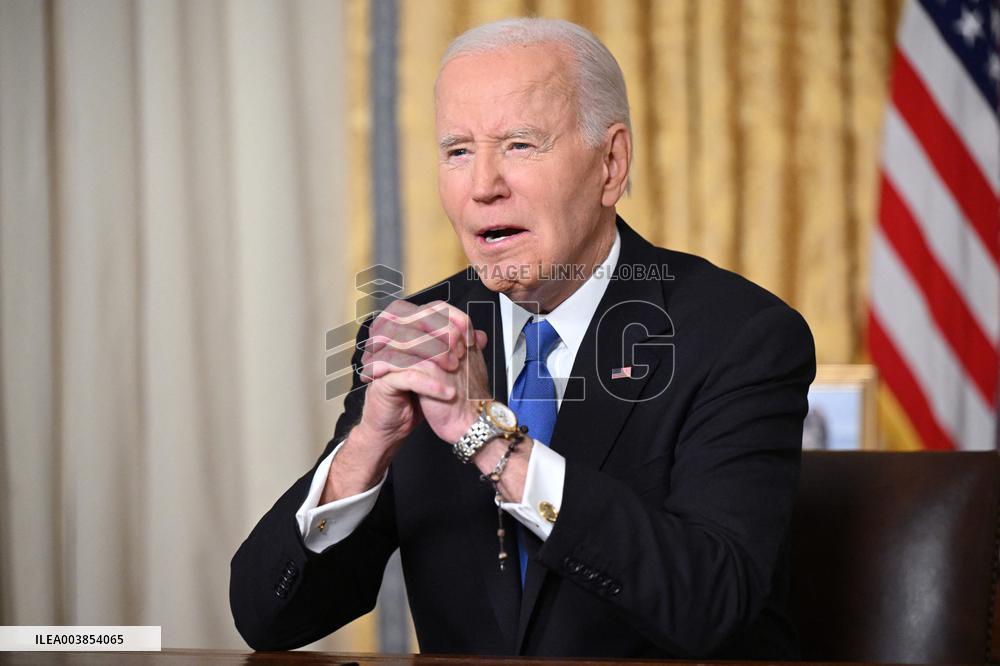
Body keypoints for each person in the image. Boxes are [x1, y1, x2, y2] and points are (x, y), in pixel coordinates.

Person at [230, 17, 815, 659]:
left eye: (519, 145)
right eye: (458, 150)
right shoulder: (419, 335)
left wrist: (487, 438)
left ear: (611, 164)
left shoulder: (740, 337)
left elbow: (715, 604)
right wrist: (366, 449)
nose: (483, 186)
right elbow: (268, 621)